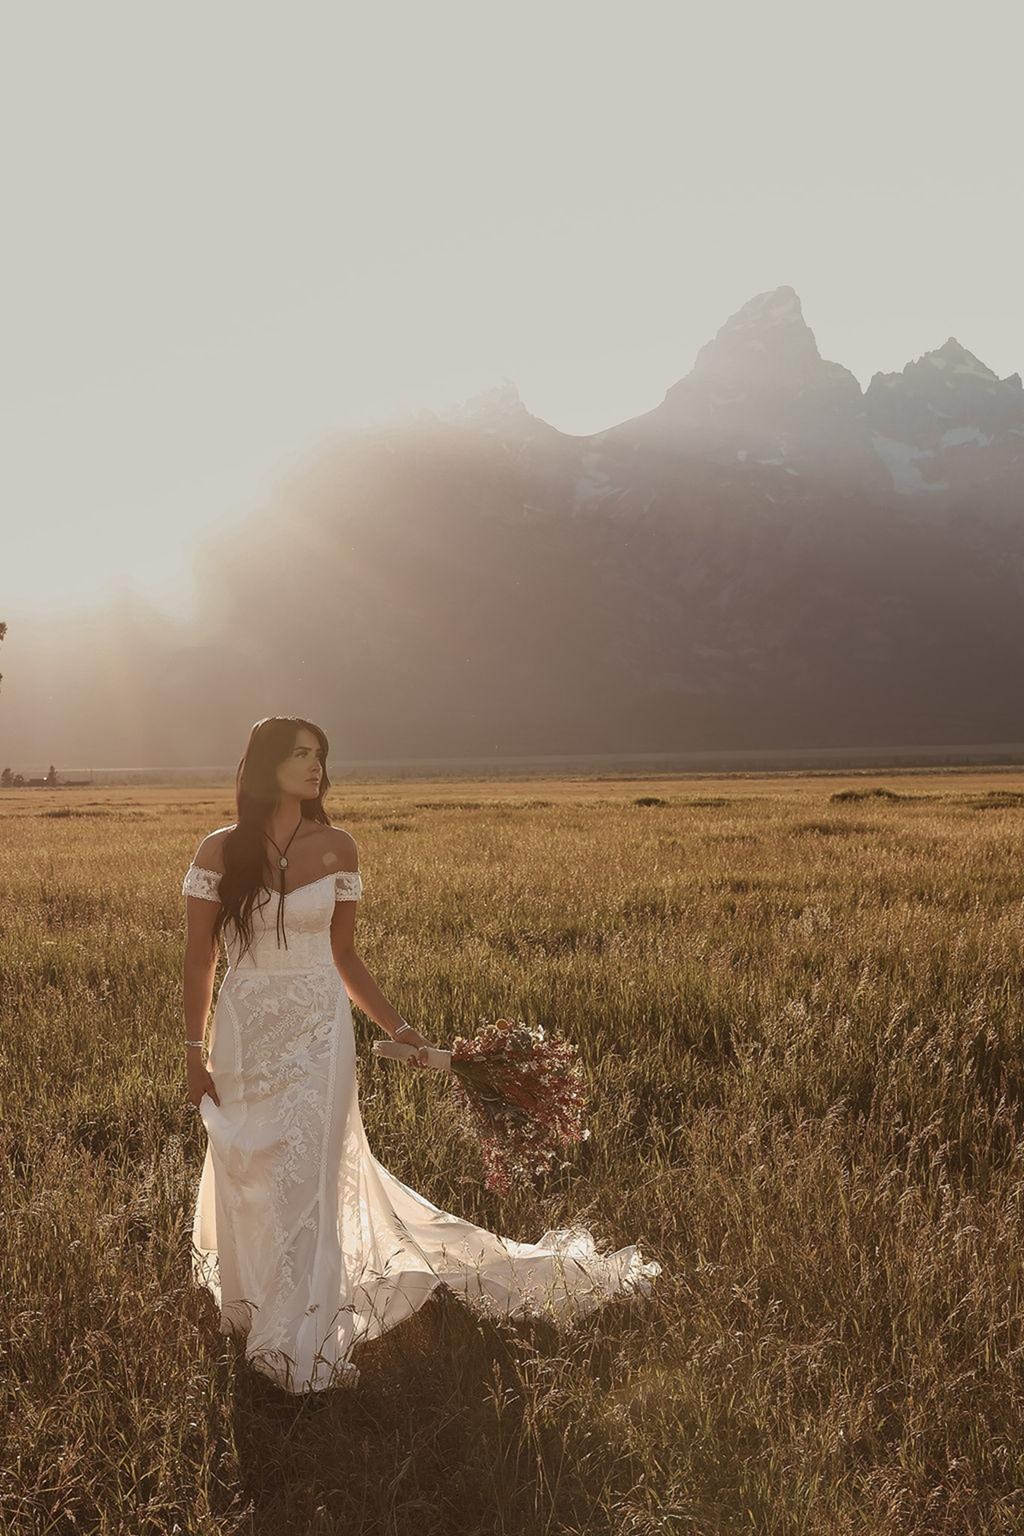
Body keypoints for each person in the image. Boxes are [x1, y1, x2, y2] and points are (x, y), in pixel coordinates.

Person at [183, 715, 661, 1394]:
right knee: (247, 1163)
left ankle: (302, 1333)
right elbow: (199, 960)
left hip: (320, 1034)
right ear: (266, 766)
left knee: (310, 1173)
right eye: (299, 755)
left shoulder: (339, 847)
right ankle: (255, 1302)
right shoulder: (218, 851)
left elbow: (344, 956)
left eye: (320, 755)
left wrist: (399, 1027)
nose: (315, 766)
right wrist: (193, 1051)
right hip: (243, 1032)